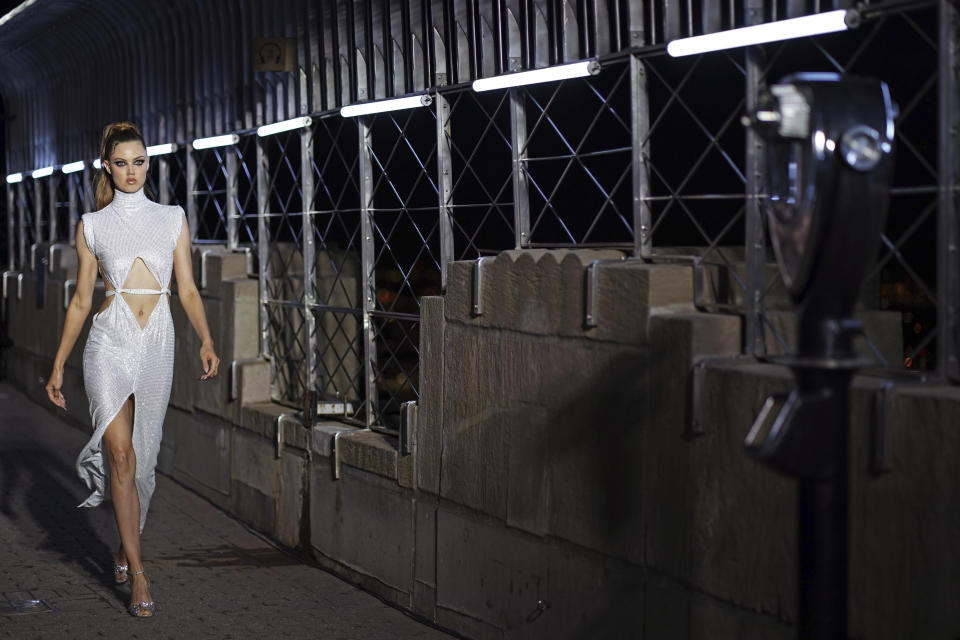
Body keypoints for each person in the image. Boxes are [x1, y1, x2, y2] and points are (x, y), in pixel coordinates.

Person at [44, 122, 220, 617]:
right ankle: (139, 577)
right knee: (118, 452)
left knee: (143, 456)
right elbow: (81, 300)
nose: (131, 171)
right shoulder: (92, 225)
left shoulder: (171, 219)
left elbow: (186, 290)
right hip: (108, 344)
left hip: (157, 345)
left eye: (139, 161)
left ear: (149, 162)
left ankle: (127, 546)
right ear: (107, 166)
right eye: (121, 162)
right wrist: (58, 365)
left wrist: (206, 338)